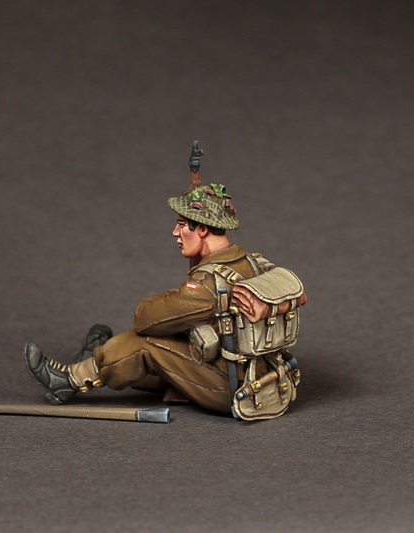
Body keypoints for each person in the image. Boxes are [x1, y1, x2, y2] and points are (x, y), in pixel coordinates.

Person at [25, 144, 306, 417]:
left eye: (182, 225)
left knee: (144, 342)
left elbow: (145, 319)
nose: (175, 232)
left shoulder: (209, 285)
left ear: (203, 229)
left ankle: (68, 379)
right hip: (259, 375)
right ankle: (95, 357)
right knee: (162, 340)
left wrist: (177, 295)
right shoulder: (252, 263)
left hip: (227, 387)